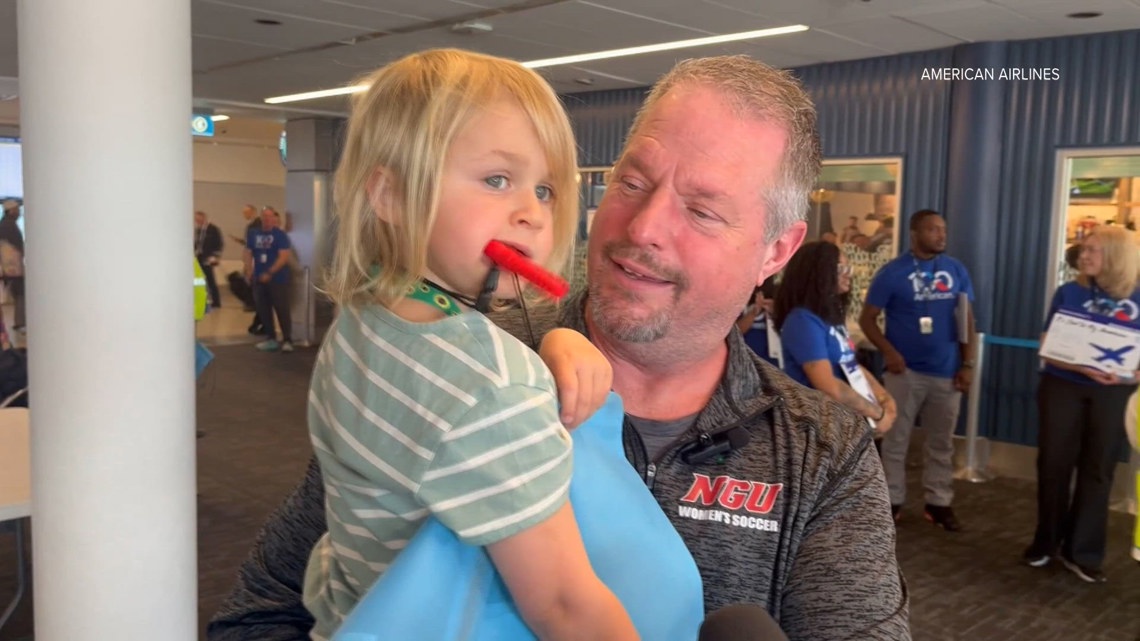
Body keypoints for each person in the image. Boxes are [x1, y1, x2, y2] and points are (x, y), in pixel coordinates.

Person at [208, 54, 910, 641]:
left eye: (700, 209)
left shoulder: (823, 451)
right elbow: (262, 612)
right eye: (631, 183)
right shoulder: (446, 366)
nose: (642, 227)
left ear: (776, 250)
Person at [302, 49, 638, 641]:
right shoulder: (492, 386)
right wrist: (520, 379)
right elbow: (565, 606)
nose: (532, 213)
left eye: (545, 189)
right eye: (497, 180)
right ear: (391, 197)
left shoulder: (361, 320)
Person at [1024, 225, 1140, 583]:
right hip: (1063, 386)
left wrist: (1128, 376)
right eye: (1084, 248)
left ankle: (1083, 552)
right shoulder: (1068, 292)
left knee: (1098, 468)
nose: (1084, 255)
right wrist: (1082, 366)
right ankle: (1047, 543)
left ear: (1117, 257)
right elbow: (1047, 343)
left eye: (1094, 250)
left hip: (1113, 392)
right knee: (1053, 464)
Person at [859, 209, 976, 530]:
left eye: (943, 229)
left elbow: (966, 320)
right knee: (895, 440)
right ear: (915, 234)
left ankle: (939, 502)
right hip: (904, 373)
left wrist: (967, 363)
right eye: (933, 230)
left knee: (942, 442)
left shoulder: (955, 270)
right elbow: (867, 319)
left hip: (947, 372)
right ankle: (891, 501)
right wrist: (889, 352)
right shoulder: (892, 273)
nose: (941, 235)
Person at [773, 241, 896, 438]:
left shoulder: (829, 318)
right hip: (816, 431)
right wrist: (877, 414)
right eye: (841, 267)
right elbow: (829, 386)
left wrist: (884, 397)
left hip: (842, 426)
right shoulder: (802, 321)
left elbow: (851, 365)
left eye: (849, 267)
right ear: (819, 272)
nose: (848, 273)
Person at [245, 207, 294, 352]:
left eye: (270, 216)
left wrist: (270, 272)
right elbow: (247, 252)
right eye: (264, 216)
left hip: (277, 279)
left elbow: (283, 257)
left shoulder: (280, 236)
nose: (267, 219)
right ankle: (271, 338)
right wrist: (249, 270)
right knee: (263, 310)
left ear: (274, 218)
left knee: (281, 309)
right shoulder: (254, 234)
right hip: (258, 279)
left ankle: (287, 340)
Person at [735, 278, 778, 366]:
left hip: (773, 359)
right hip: (747, 358)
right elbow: (736, 331)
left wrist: (775, 312)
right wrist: (754, 312)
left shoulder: (777, 300)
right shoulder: (739, 303)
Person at [0, 199, 24, 331]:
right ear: (11, 211)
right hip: (13, 268)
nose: (19, 212)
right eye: (17, 210)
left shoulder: (5, 225)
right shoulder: (9, 227)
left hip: (9, 268)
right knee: (20, 294)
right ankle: (21, 323)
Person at [194, 210, 224, 309]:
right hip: (199, 256)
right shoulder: (198, 230)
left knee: (210, 279)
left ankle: (216, 301)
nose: (197, 221)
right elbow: (197, 243)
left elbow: (219, 243)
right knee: (199, 279)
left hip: (208, 257)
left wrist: (215, 256)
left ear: (204, 218)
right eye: (196, 219)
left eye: (199, 219)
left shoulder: (213, 229)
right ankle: (202, 299)